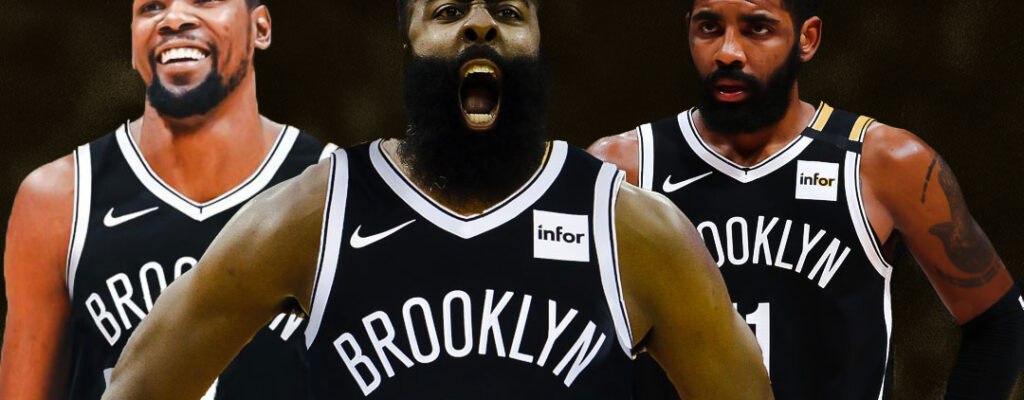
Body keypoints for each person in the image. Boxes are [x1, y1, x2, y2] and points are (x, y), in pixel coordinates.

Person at [101, 0, 773, 398]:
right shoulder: (311, 216)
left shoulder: (633, 231)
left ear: (539, 42)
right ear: (409, 42)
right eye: (448, 12)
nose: (480, 26)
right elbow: (139, 387)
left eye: (508, 12)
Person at [588, 0, 1024, 398]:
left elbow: (1000, 321)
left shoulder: (883, 163)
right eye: (709, 28)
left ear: (807, 38)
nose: (728, 52)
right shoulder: (621, 168)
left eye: (757, 29)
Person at [0, 0, 336, 398]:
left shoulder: (336, 186)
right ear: (133, 39)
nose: (173, 18)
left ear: (260, 27)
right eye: (152, 8)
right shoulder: (57, 199)